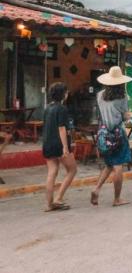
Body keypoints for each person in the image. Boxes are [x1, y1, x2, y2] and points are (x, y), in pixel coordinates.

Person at [91, 66, 132, 207]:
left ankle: (96, 189)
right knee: (118, 165)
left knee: (109, 164)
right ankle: (117, 199)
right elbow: (126, 116)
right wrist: (127, 115)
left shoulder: (100, 95)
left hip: (104, 133)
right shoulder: (122, 97)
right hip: (117, 134)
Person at [42, 82, 77, 212]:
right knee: (72, 170)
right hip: (59, 144)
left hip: (47, 143)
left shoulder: (47, 108)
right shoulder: (62, 109)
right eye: (66, 92)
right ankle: (59, 198)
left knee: (52, 173)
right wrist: (65, 148)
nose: (67, 94)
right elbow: (62, 129)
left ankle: (49, 204)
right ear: (63, 94)